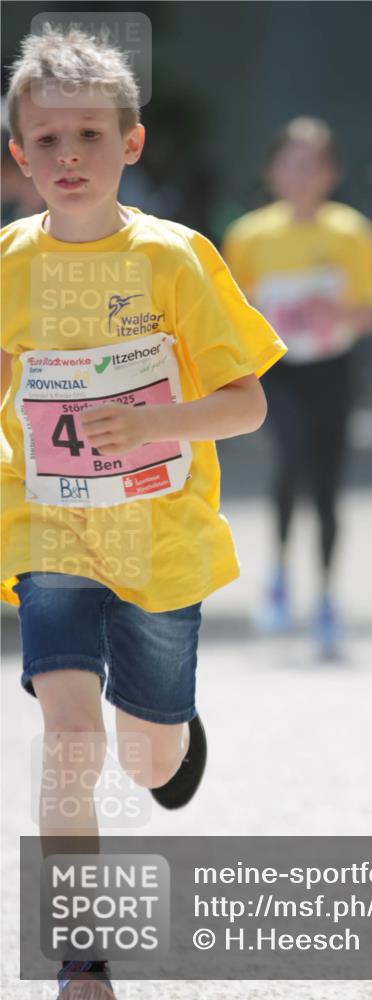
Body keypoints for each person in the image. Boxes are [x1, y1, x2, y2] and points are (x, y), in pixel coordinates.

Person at [0, 25, 286, 997]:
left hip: (159, 542)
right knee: (69, 738)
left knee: (143, 752)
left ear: (131, 144)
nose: (67, 156)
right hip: (50, 529)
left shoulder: (177, 259)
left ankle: (170, 733)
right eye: (46, 140)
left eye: (88, 135)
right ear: (17, 154)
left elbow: (246, 403)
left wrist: (152, 418)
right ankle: (84, 959)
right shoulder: (6, 265)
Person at [223, 117, 372, 657]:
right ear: (272, 171)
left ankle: (325, 598)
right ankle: (275, 575)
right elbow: (228, 314)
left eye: (313, 163)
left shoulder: (353, 233)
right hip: (279, 373)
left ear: (332, 173)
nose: (301, 174)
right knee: (292, 458)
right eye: (291, 162)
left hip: (334, 366)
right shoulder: (249, 236)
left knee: (327, 483)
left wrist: (336, 310)